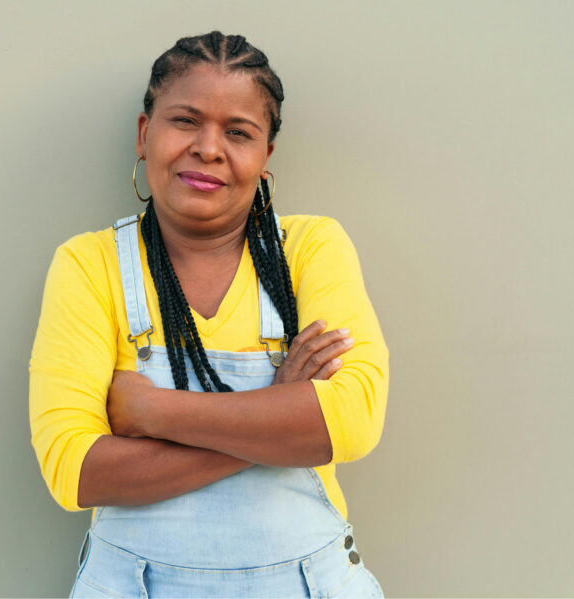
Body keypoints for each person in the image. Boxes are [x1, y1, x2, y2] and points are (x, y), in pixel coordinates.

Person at [29, 31, 388, 598]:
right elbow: (75, 470)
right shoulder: (90, 265)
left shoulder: (309, 249)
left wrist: (152, 410)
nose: (209, 148)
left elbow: (352, 420)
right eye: (185, 121)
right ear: (145, 134)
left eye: (238, 132)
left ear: (265, 157)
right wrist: (279, 416)